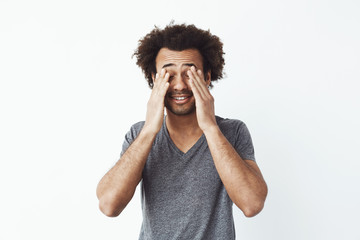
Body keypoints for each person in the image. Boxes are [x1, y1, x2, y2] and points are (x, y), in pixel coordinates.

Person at [96, 23, 268, 240]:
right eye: (168, 75)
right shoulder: (139, 134)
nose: (179, 85)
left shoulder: (232, 131)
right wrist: (150, 130)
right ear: (154, 79)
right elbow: (109, 205)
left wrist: (210, 128)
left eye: (189, 73)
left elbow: (252, 204)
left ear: (206, 77)